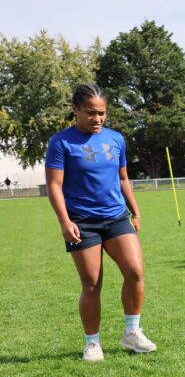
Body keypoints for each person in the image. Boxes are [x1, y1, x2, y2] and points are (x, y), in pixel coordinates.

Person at [44, 84, 157, 362]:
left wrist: (135, 211)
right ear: (76, 110)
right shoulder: (61, 142)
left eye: (102, 113)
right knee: (92, 283)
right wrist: (64, 221)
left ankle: (132, 332)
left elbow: (123, 178)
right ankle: (92, 343)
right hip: (82, 222)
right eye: (91, 112)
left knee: (135, 272)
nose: (97, 119)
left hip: (116, 217)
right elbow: (54, 186)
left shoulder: (116, 139)